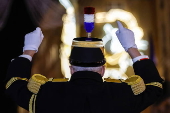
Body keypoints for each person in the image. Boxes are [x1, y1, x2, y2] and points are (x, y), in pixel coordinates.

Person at [5, 21, 164, 113]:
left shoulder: (46, 93)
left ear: (71, 69)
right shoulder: (124, 94)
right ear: (103, 70)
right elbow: (155, 86)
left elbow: (13, 84)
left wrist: (29, 50)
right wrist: (132, 47)